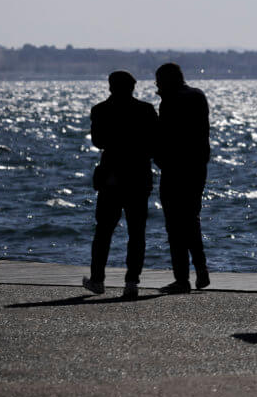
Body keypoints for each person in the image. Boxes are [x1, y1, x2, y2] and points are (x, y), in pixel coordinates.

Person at [83, 71, 158, 298]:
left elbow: (98, 142)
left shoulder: (100, 110)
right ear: (132, 87)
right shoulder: (146, 110)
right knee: (137, 233)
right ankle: (132, 282)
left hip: (111, 178)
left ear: (110, 87)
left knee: (103, 231)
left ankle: (97, 279)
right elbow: (155, 141)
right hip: (138, 176)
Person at [154, 62, 211, 293]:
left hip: (174, 169)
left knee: (175, 226)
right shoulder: (198, 96)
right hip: (197, 167)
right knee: (191, 219)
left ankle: (182, 278)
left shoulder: (170, 101)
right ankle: (201, 268)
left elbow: (163, 135)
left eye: (158, 81)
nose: (156, 86)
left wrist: (159, 160)